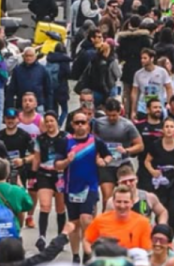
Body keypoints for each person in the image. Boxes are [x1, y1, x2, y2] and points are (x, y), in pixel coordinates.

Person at [54, 108, 112, 263]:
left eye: (83, 122)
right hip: (71, 187)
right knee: (74, 223)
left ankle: (88, 250)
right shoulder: (65, 142)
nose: (80, 125)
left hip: (90, 186)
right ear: (72, 125)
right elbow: (57, 165)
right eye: (77, 122)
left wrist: (103, 161)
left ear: (88, 125)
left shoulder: (95, 141)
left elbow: (108, 155)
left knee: (86, 218)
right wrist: (67, 161)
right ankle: (75, 255)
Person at [93, 97, 144, 203]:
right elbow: (93, 143)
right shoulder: (98, 124)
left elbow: (140, 145)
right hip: (106, 165)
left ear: (119, 112)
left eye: (115, 115)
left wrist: (126, 150)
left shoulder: (128, 125)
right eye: (109, 115)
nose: (112, 118)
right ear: (105, 112)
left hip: (123, 163)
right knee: (107, 199)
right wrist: (98, 158)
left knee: (130, 196)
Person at [145, 117, 174, 232]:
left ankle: (170, 234)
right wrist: (152, 171)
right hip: (160, 180)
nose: (169, 129)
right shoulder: (156, 145)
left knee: (173, 210)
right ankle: (160, 232)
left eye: (171, 127)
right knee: (161, 208)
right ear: (162, 130)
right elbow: (147, 161)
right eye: (166, 127)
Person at [32, 110, 67, 251]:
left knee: (60, 208)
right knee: (45, 205)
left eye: (51, 121)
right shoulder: (40, 139)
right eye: (46, 121)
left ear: (57, 121)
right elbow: (36, 158)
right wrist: (32, 176)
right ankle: (42, 236)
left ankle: (60, 237)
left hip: (60, 175)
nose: (49, 124)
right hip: (44, 174)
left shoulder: (66, 137)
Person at [83, 185, 152, 252]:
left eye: (126, 202)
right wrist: (94, 257)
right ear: (113, 202)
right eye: (119, 202)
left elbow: (146, 250)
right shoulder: (101, 220)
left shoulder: (143, 223)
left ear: (132, 203)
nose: (122, 206)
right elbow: (87, 240)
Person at [0, 158, 34, 240]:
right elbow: (28, 204)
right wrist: (21, 188)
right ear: (7, 173)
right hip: (12, 232)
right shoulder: (16, 190)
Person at [104, 164, 169, 223]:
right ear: (119, 184)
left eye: (131, 180)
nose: (128, 184)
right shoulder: (112, 202)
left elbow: (162, 212)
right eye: (124, 182)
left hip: (144, 233)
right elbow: (106, 221)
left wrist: (161, 226)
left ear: (136, 179)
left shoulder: (148, 197)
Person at [131, 48, 173, 120]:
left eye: (145, 58)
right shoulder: (138, 74)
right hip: (143, 107)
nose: (142, 60)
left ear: (152, 59)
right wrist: (133, 110)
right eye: (141, 58)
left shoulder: (162, 72)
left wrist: (169, 103)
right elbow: (134, 92)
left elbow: (169, 88)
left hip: (158, 106)